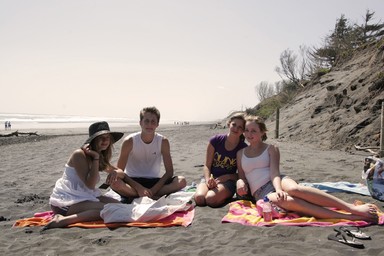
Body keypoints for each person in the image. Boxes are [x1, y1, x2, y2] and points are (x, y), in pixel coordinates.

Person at [236, 115, 378, 222]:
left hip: (278, 180)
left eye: (253, 131)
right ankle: (349, 217)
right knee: (287, 201)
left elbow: (274, 172)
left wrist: (279, 189)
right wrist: (240, 182)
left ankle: (351, 208)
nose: (249, 134)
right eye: (247, 131)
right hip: (261, 192)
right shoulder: (240, 153)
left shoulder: (271, 148)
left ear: (262, 132)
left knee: (293, 190)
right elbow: (242, 177)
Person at [44, 121, 125, 229]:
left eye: (108, 137)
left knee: (120, 207)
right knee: (109, 209)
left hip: (84, 196)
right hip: (66, 201)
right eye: (101, 137)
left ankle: (80, 214)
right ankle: (62, 220)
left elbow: (121, 172)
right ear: (93, 140)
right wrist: (96, 158)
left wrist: (114, 172)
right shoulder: (79, 154)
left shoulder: (98, 155)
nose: (105, 140)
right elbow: (90, 186)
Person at [111, 106, 186, 202]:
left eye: (153, 121)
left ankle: (141, 195)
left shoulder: (163, 141)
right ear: (140, 123)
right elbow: (120, 171)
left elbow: (169, 172)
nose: (149, 124)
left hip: (154, 181)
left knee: (181, 181)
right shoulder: (129, 141)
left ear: (157, 124)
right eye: (146, 121)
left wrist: (154, 190)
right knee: (115, 182)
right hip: (132, 180)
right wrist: (139, 188)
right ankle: (142, 194)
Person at [194, 113, 248, 207]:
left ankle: (224, 195)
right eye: (234, 125)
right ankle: (213, 192)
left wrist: (227, 177)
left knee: (210, 199)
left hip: (228, 181)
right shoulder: (216, 140)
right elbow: (207, 165)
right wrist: (208, 180)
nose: (236, 129)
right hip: (211, 178)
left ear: (243, 130)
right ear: (229, 124)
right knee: (199, 199)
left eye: (240, 127)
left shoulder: (243, 148)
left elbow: (242, 174)